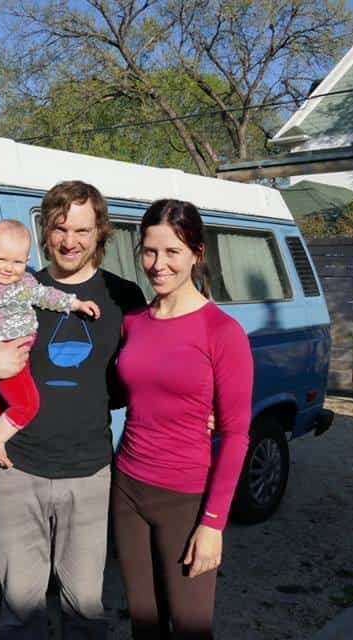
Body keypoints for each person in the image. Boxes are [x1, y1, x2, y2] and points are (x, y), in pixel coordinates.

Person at [0, 180, 146, 640]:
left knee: (84, 609)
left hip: (88, 473)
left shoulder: (125, 298)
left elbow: (152, 371)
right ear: (45, 230)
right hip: (16, 470)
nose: (70, 240)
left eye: (82, 229)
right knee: (20, 610)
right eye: (61, 228)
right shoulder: (12, 286)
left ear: (100, 232)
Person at [111, 199, 253, 639]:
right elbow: (123, 391)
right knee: (144, 624)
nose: (158, 265)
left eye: (172, 252)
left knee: (191, 629)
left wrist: (213, 525)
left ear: (197, 253)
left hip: (185, 501)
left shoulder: (222, 332)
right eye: (150, 251)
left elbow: (235, 436)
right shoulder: (133, 321)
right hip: (128, 489)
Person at [0, 219, 101, 468]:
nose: (9, 269)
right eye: (2, 260)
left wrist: (75, 304)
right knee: (27, 404)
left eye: (18, 262)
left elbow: (47, 296)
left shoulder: (27, 283)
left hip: (19, 351)